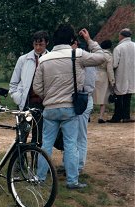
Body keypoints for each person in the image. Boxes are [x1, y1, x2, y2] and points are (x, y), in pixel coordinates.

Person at [33, 24, 105, 189]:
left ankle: (40, 178)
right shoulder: (78, 54)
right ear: (72, 39)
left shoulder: (44, 59)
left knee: (46, 144)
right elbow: (101, 57)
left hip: (50, 108)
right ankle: (72, 181)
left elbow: (37, 87)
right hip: (70, 108)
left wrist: (48, 97)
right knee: (71, 143)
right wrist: (89, 40)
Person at [9, 30, 49, 145]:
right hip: (26, 103)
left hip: (43, 104)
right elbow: (14, 82)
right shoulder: (23, 59)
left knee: (38, 138)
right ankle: (19, 161)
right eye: (35, 44)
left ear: (47, 43)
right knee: (22, 135)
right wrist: (16, 97)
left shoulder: (50, 59)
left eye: (40, 45)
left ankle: (35, 161)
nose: (37, 47)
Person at [107, 28, 135, 123]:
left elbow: (114, 64)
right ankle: (126, 116)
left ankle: (117, 116)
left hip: (121, 74)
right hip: (132, 74)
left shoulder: (119, 48)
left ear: (122, 36)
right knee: (128, 96)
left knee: (119, 96)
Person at [93, 40, 115, 123]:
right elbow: (110, 70)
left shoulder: (96, 54)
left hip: (94, 75)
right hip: (104, 76)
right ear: (109, 47)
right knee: (103, 97)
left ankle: (87, 117)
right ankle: (101, 117)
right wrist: (112, 81)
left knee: (92, 97)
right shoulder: (108, 55)